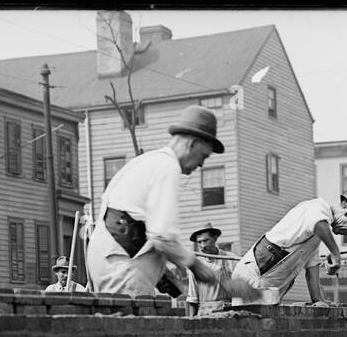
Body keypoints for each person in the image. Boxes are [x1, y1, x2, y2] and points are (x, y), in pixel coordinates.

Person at [87, 106, 241, 299]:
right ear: (192, 144)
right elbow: (161, 237)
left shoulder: (148, 161)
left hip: (111, 257)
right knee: (131, 324)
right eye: (203, 156)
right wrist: (197, 266)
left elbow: (150, 233)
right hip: (123, 263)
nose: (201, 164)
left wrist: (173, 282)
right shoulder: (168, 167)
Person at [229, 193, 347, 306]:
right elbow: (317, 223)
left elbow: (312, 269)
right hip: (254, 274)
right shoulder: (317, 208)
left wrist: (319, 300)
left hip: (270, 285)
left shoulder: (317, 235)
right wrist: (335, 253)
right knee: (248, 328)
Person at [186, 223, 233, 316]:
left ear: (215, 238)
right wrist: (191, 321)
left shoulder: (230, 259)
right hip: (204, 313)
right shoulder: (196, 264)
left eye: (206, 240)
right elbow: (193, 297)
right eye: (199, 242)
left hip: (226, 312)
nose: (202, 245)